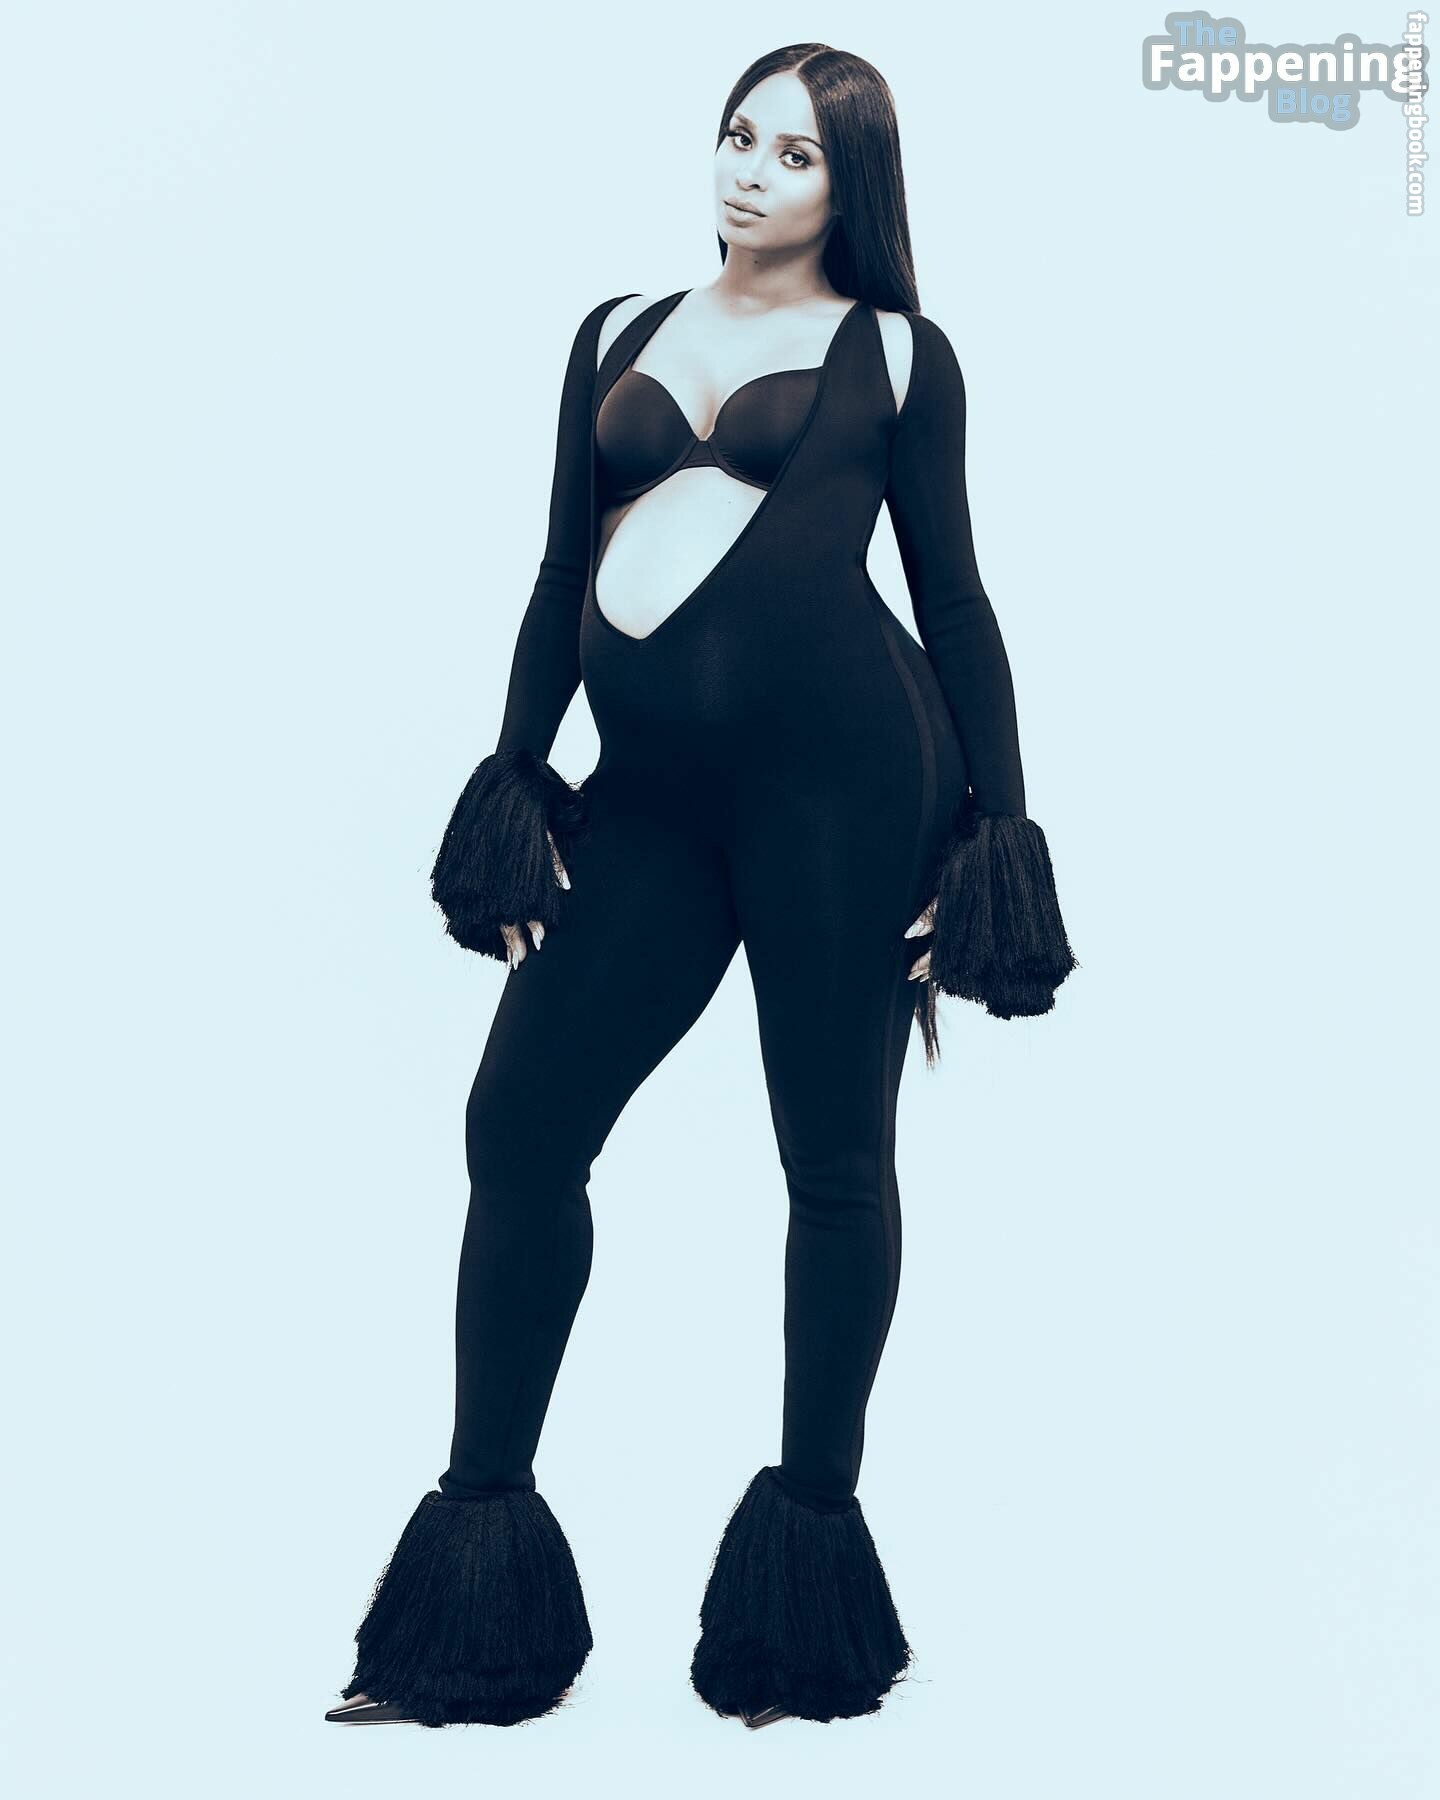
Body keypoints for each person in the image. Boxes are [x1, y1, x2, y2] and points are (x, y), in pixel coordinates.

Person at [327, 41, 1076, 1733]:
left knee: (832, 1163)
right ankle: (474, 1604)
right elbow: (556, 576)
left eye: (794, 153)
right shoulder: (614, 332)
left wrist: (999, 839)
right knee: (520, 1128)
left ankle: (800, 1618)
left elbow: (955, 602)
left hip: (850, 800)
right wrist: (517, 782)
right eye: (738, 135)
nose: (749, 170)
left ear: (850, 184)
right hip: (651, 802)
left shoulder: (898, 355)